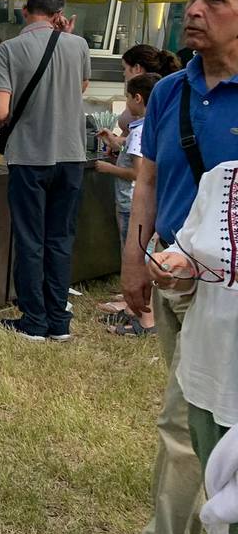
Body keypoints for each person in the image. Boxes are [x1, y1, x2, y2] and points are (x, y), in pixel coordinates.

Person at [124, 0, 238, 534]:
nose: (194, 10)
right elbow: (147, 181)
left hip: (233, 292)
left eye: (214, 0)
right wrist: (135, 258)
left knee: (214, 419)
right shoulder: (169, 91)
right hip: (173, 278)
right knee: (184, 418)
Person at [0, 0, 90, 341]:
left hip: (30, 157)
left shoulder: (9, 50)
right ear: (60, 13)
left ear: (24, 10)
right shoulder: (78, 46)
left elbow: (0, 112)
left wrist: (8, 116)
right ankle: (59, 321)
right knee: (60, 238)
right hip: (72, 155)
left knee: (31, 239)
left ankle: (34, 320)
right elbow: (78, 90)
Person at [155, 161, 238, 534]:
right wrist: (176, 268)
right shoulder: (220, 177)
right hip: (208, 376)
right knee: (223, 508)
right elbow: (189, 250)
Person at [94, 72, 159, 336]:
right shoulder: (144, 128)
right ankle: (134, 311)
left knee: (134, 257)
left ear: (137, 98)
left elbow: (138, 173)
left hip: (131, 202)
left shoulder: (141, 132)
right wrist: (114, 142)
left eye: (126, 98)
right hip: (130, 201)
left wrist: (108, 168)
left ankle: (140, 317)